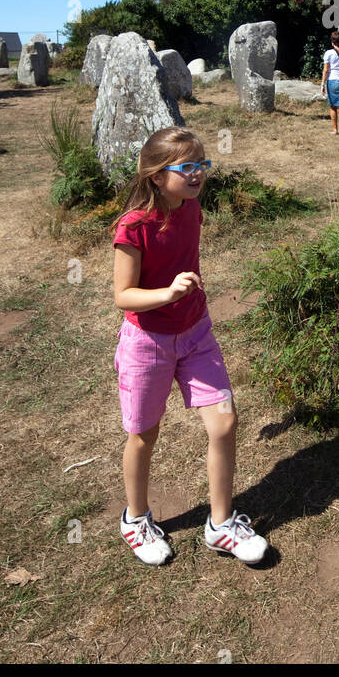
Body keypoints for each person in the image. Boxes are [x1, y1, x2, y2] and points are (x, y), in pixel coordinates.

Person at [111, 126, 268, 567]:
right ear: (158, 176)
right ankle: (135, 519)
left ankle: (220, 526)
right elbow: (123, 296)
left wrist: (185, 298)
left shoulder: (191, 207)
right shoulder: (133, 227)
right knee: (144, 435)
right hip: (147, 342)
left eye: (203, 164)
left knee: (223, 423)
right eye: (187, 167)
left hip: (195, 332)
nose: (198, 174)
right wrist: (167, 293)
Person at [320, 28, 339, 136]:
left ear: (333, 42)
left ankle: (335, 129)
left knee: (333, 106)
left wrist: (322, 84)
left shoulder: (328, 53)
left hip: (332, 80)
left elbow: (326, 70)